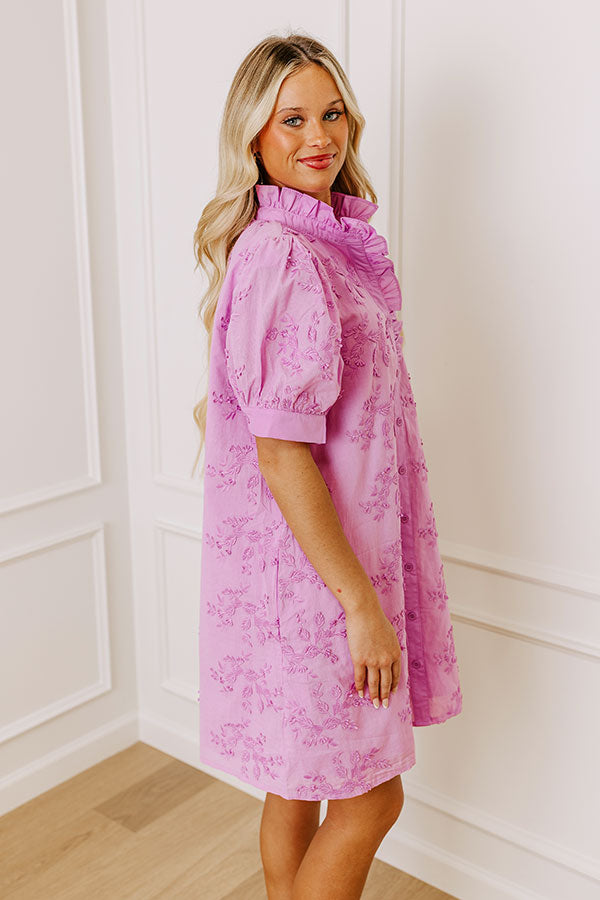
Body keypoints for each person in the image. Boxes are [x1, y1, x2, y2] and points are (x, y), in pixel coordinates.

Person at [192, 31, 463, 900]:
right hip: (323, 580)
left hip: (315, 564)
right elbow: (280, 450)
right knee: (370, 798)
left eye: (333, 113)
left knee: (299, 780)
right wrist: (360, 605)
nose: (320, 137)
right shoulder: (285, 251)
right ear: (253, 136)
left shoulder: (309, 244)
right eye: (293, 119)